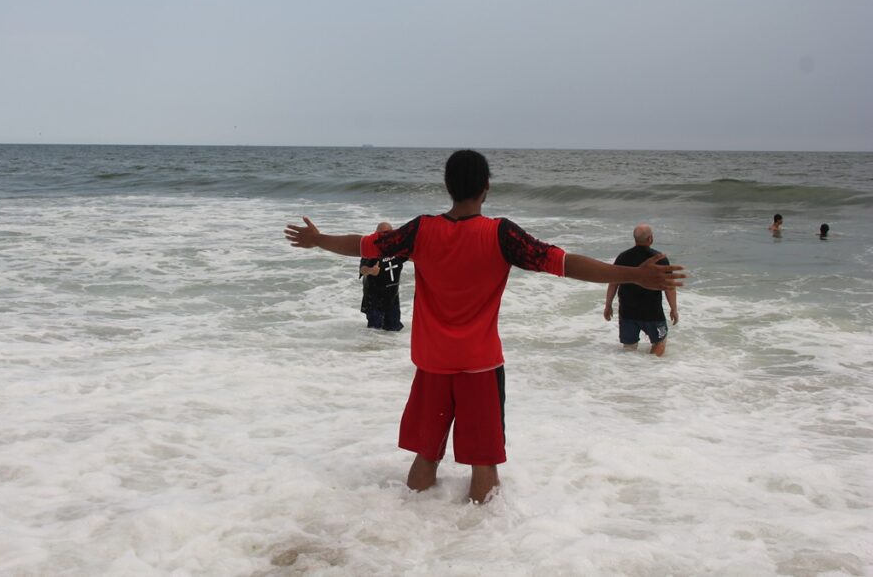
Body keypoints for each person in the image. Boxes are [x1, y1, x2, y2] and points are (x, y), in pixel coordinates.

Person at [284, 150, 685, 504]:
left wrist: (319, 240)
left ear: (448, 186)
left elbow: (364, 244)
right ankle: (477, 543)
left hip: (431, 362)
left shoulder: (421, 230)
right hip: (479, 365)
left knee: (425, 456)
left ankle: (407, 530)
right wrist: (631, 274)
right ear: (486, 187)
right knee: (484, 465)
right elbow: (564, 263)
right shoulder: (501, 234)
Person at [603, 225, 679, 357]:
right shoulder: (659, 259)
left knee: (629, 348)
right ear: (650, 238)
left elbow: (613, 283)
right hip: (652, 314)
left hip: (628, 313)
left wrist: (608, 305)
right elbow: (670, 287)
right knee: (659, 342)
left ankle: (632, 372)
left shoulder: (623, 257)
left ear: (635, 239)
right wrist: (674, 309)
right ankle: (650, 372)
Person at [360, 222, 407, 331]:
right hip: (374, 299)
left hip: (392, 298)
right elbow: (362, 269)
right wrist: (371, 270)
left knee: (393, 332)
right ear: (376, 234)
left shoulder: (398, 249)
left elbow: (413, 256)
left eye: (387, 233)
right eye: (381, 234)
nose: (384, 237)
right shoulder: (371, 249)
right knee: (374, 332)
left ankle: (393, 349)